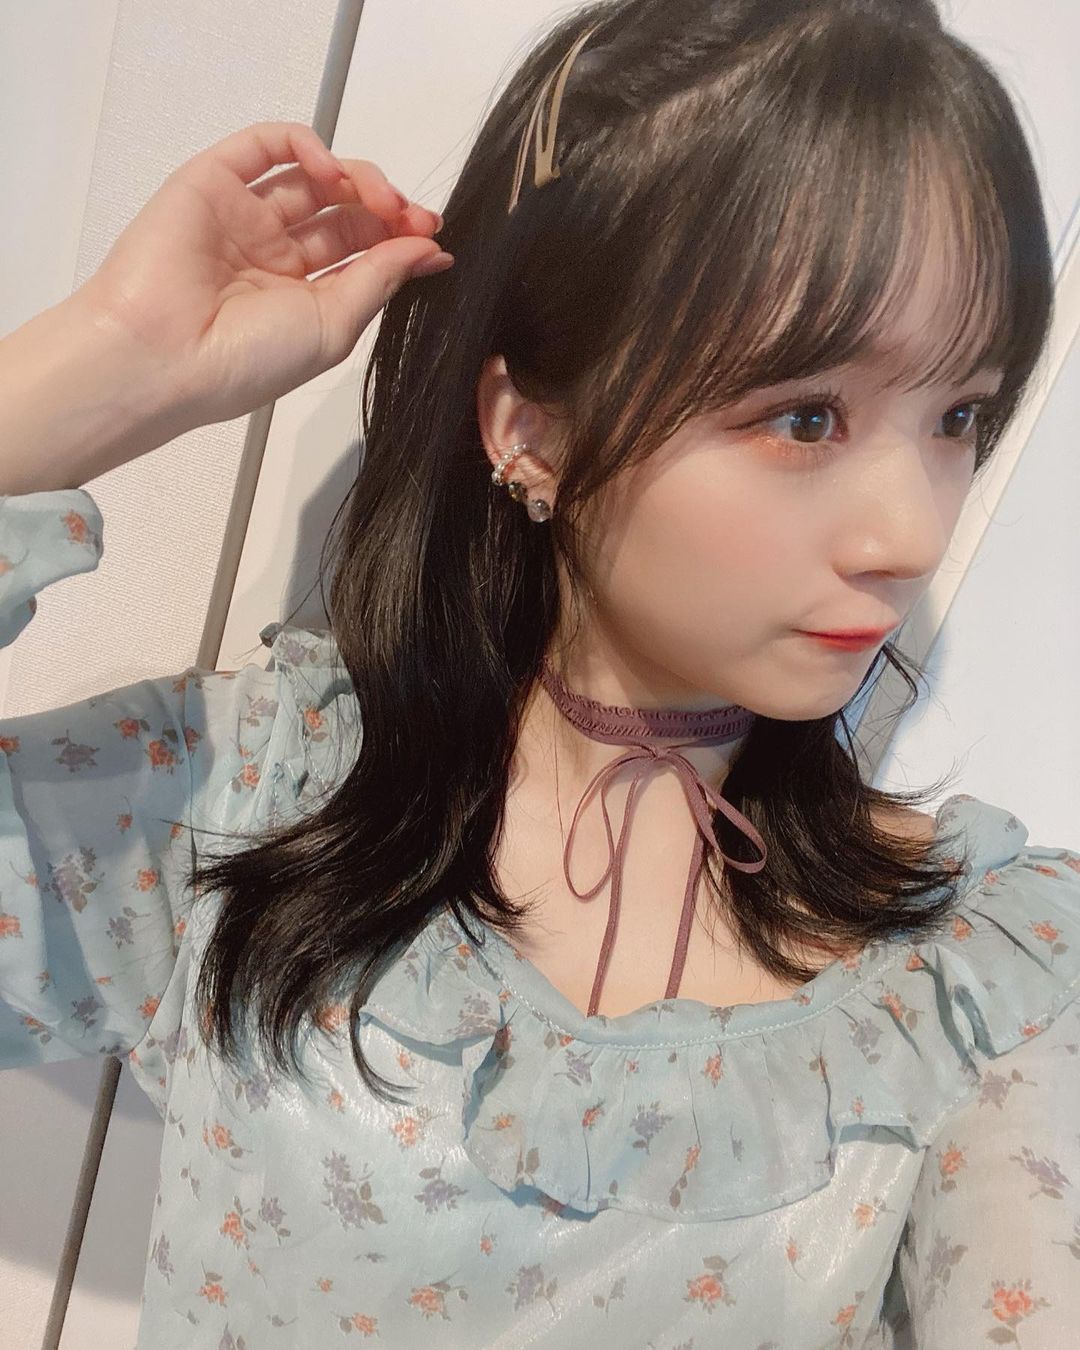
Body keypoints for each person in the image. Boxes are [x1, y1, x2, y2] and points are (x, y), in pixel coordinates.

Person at [1, 1, 1078, 1346]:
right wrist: (101, 367)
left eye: (959, 415)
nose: (911, 533)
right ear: (532, 434)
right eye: (808, 417)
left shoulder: (971, 983)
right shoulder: (242, 804)